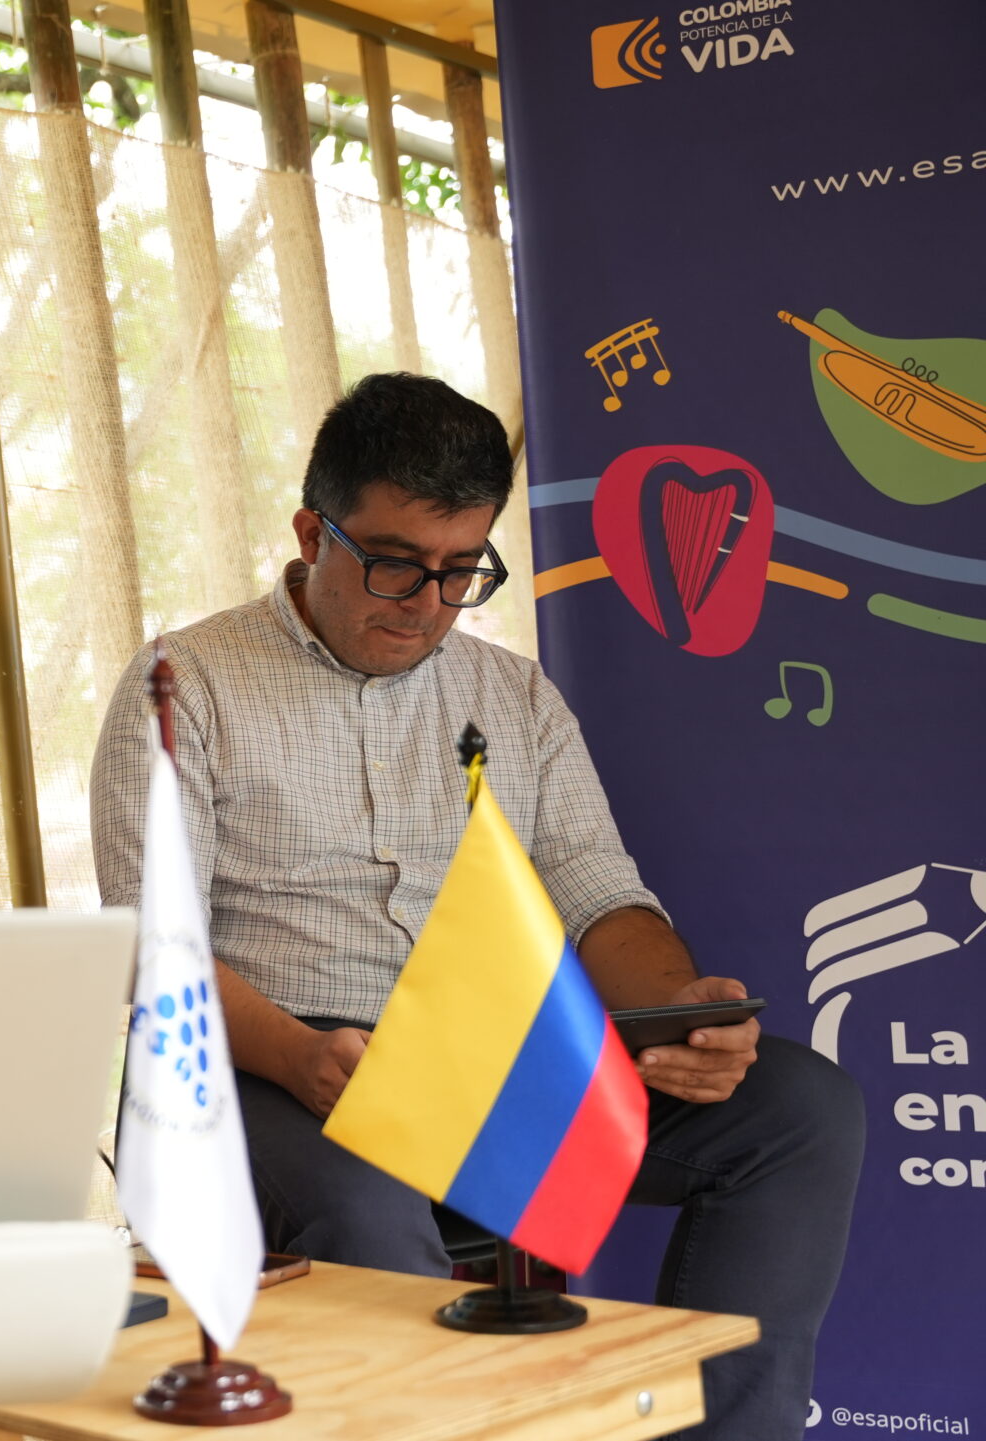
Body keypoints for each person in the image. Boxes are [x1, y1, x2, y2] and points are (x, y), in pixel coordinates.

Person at [91, 373, 862, 1440]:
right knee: (368, 1210)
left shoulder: (514, 695)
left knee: (799, 1110)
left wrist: (676, 1012)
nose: (427, 604)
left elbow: (599, 891)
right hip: (257, 1065)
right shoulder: (186, 685)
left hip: (478, 1062)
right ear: (312, 533)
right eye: (396, 564)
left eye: (462, 571)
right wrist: (297, 1055)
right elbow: (150, 945)